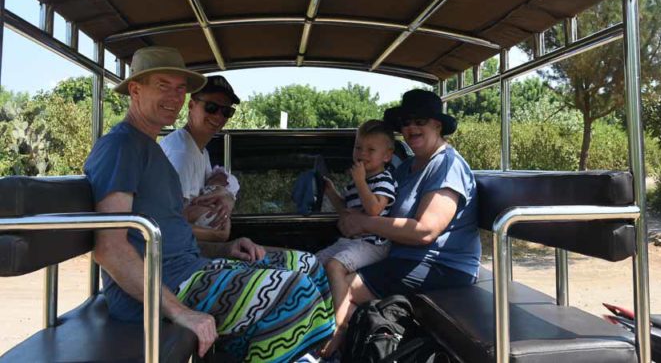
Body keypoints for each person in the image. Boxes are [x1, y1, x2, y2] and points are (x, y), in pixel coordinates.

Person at [84, 46, 334, 362]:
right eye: (164, 86)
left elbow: (177, 236)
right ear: (135, 89)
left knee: (309, 266)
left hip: (188, 270)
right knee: (293, 292)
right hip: (157, 290)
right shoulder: (121, 146)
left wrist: (225, 249)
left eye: (180, 89)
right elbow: (109, 248)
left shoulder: (153, 151)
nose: (175, 97)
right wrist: (182, 313)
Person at [320, 89, 479, 357]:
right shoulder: (406, 168)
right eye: (406, 122)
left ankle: (342, 341)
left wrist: (364, 223)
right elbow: (378, 208)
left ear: (437, 125)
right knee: (329, 276)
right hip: (401, 258)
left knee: (342, 285)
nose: (411, 128)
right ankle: (364, 347)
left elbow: (426, 231)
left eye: (420, 122)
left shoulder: (447, 164)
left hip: (442, 265)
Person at [316, 120, 397, 346]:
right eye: (358, 148)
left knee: (334, 265)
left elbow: (373, 210)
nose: (362, 154)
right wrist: (331, 191)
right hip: (352, 241)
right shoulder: (356, 184)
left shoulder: (384, 180)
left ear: (387, 156)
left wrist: (360, 181)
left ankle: (340, 325)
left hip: (374, 244)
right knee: (314, 264)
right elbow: (346, 210)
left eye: (371, 150)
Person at [160, 75, 241, 242]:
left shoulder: (200, 151)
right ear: (191, 105)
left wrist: (227, 196)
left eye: (226, 111)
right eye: (211, 107)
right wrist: (217, 235)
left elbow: (214, 189)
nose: (219, 116)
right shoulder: (182, 154)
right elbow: (168, 224)